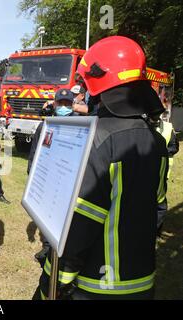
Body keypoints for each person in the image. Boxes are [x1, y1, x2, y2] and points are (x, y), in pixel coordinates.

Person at [34, 36, 169, 300]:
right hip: (141, 280)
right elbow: (159, 207)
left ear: (98, 81)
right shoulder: (157, 141)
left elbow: (81, 220)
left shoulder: (97, 139)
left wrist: (55, 278)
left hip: (95, 285)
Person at [27, 88, 77, 264]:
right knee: (48, 213)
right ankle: (48, 247)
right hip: (48, 176)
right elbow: (35, 151)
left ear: (72, 105)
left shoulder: (80, 125)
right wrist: (31, 174)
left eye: (67, 103)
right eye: (60, 103)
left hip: (70, 178)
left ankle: (67, 247)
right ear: (54, 104)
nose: (63, 106)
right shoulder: (46, 125)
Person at [150, 115, 179, 235]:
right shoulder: (142, 126)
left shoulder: (168, 127)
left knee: (159, 202)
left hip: (162, 173)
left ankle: (156, 230)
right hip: (146, 171)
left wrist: (161, 152)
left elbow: (174, 147)